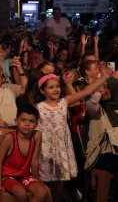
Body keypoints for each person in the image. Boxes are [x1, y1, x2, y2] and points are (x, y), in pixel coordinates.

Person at [35, 68, 117, 200]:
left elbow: (86, 91)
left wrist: (103, 77)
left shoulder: (63, 102)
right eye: (51, 87)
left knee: (60, 180)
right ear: (42, 90)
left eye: (57, 86)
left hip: (61, 148)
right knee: (45, 181)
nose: (56, 89)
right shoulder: (38, 108)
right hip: (46, 149)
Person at [0, 105, 52, 202]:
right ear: (16, 121)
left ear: (36, 124)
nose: (27, 124)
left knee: (43, 191)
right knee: (21, 193)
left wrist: (37, 182)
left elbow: (34, 161)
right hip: (7, 176)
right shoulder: (9, 138)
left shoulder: (37, 135)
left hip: (24, 176)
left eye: (31, 121)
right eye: (23, 120)